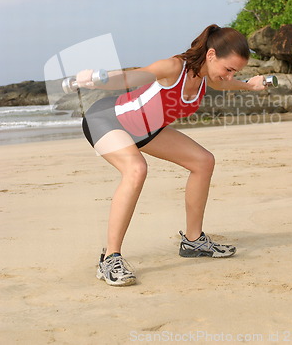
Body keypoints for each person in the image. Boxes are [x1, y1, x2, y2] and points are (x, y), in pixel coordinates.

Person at [77, 24, 266, 286]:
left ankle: (193, 241)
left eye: (235, 71)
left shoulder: (206, 78)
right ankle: (110, 258)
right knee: (136, 170)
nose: (229, 74)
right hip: (108, 120)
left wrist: (248, 85)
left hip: (146, 130)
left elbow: (224, 85)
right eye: (229, 68)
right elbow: (134, 76)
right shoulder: (174, 68)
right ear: (211, 56)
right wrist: (100, 78)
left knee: (203, 161)